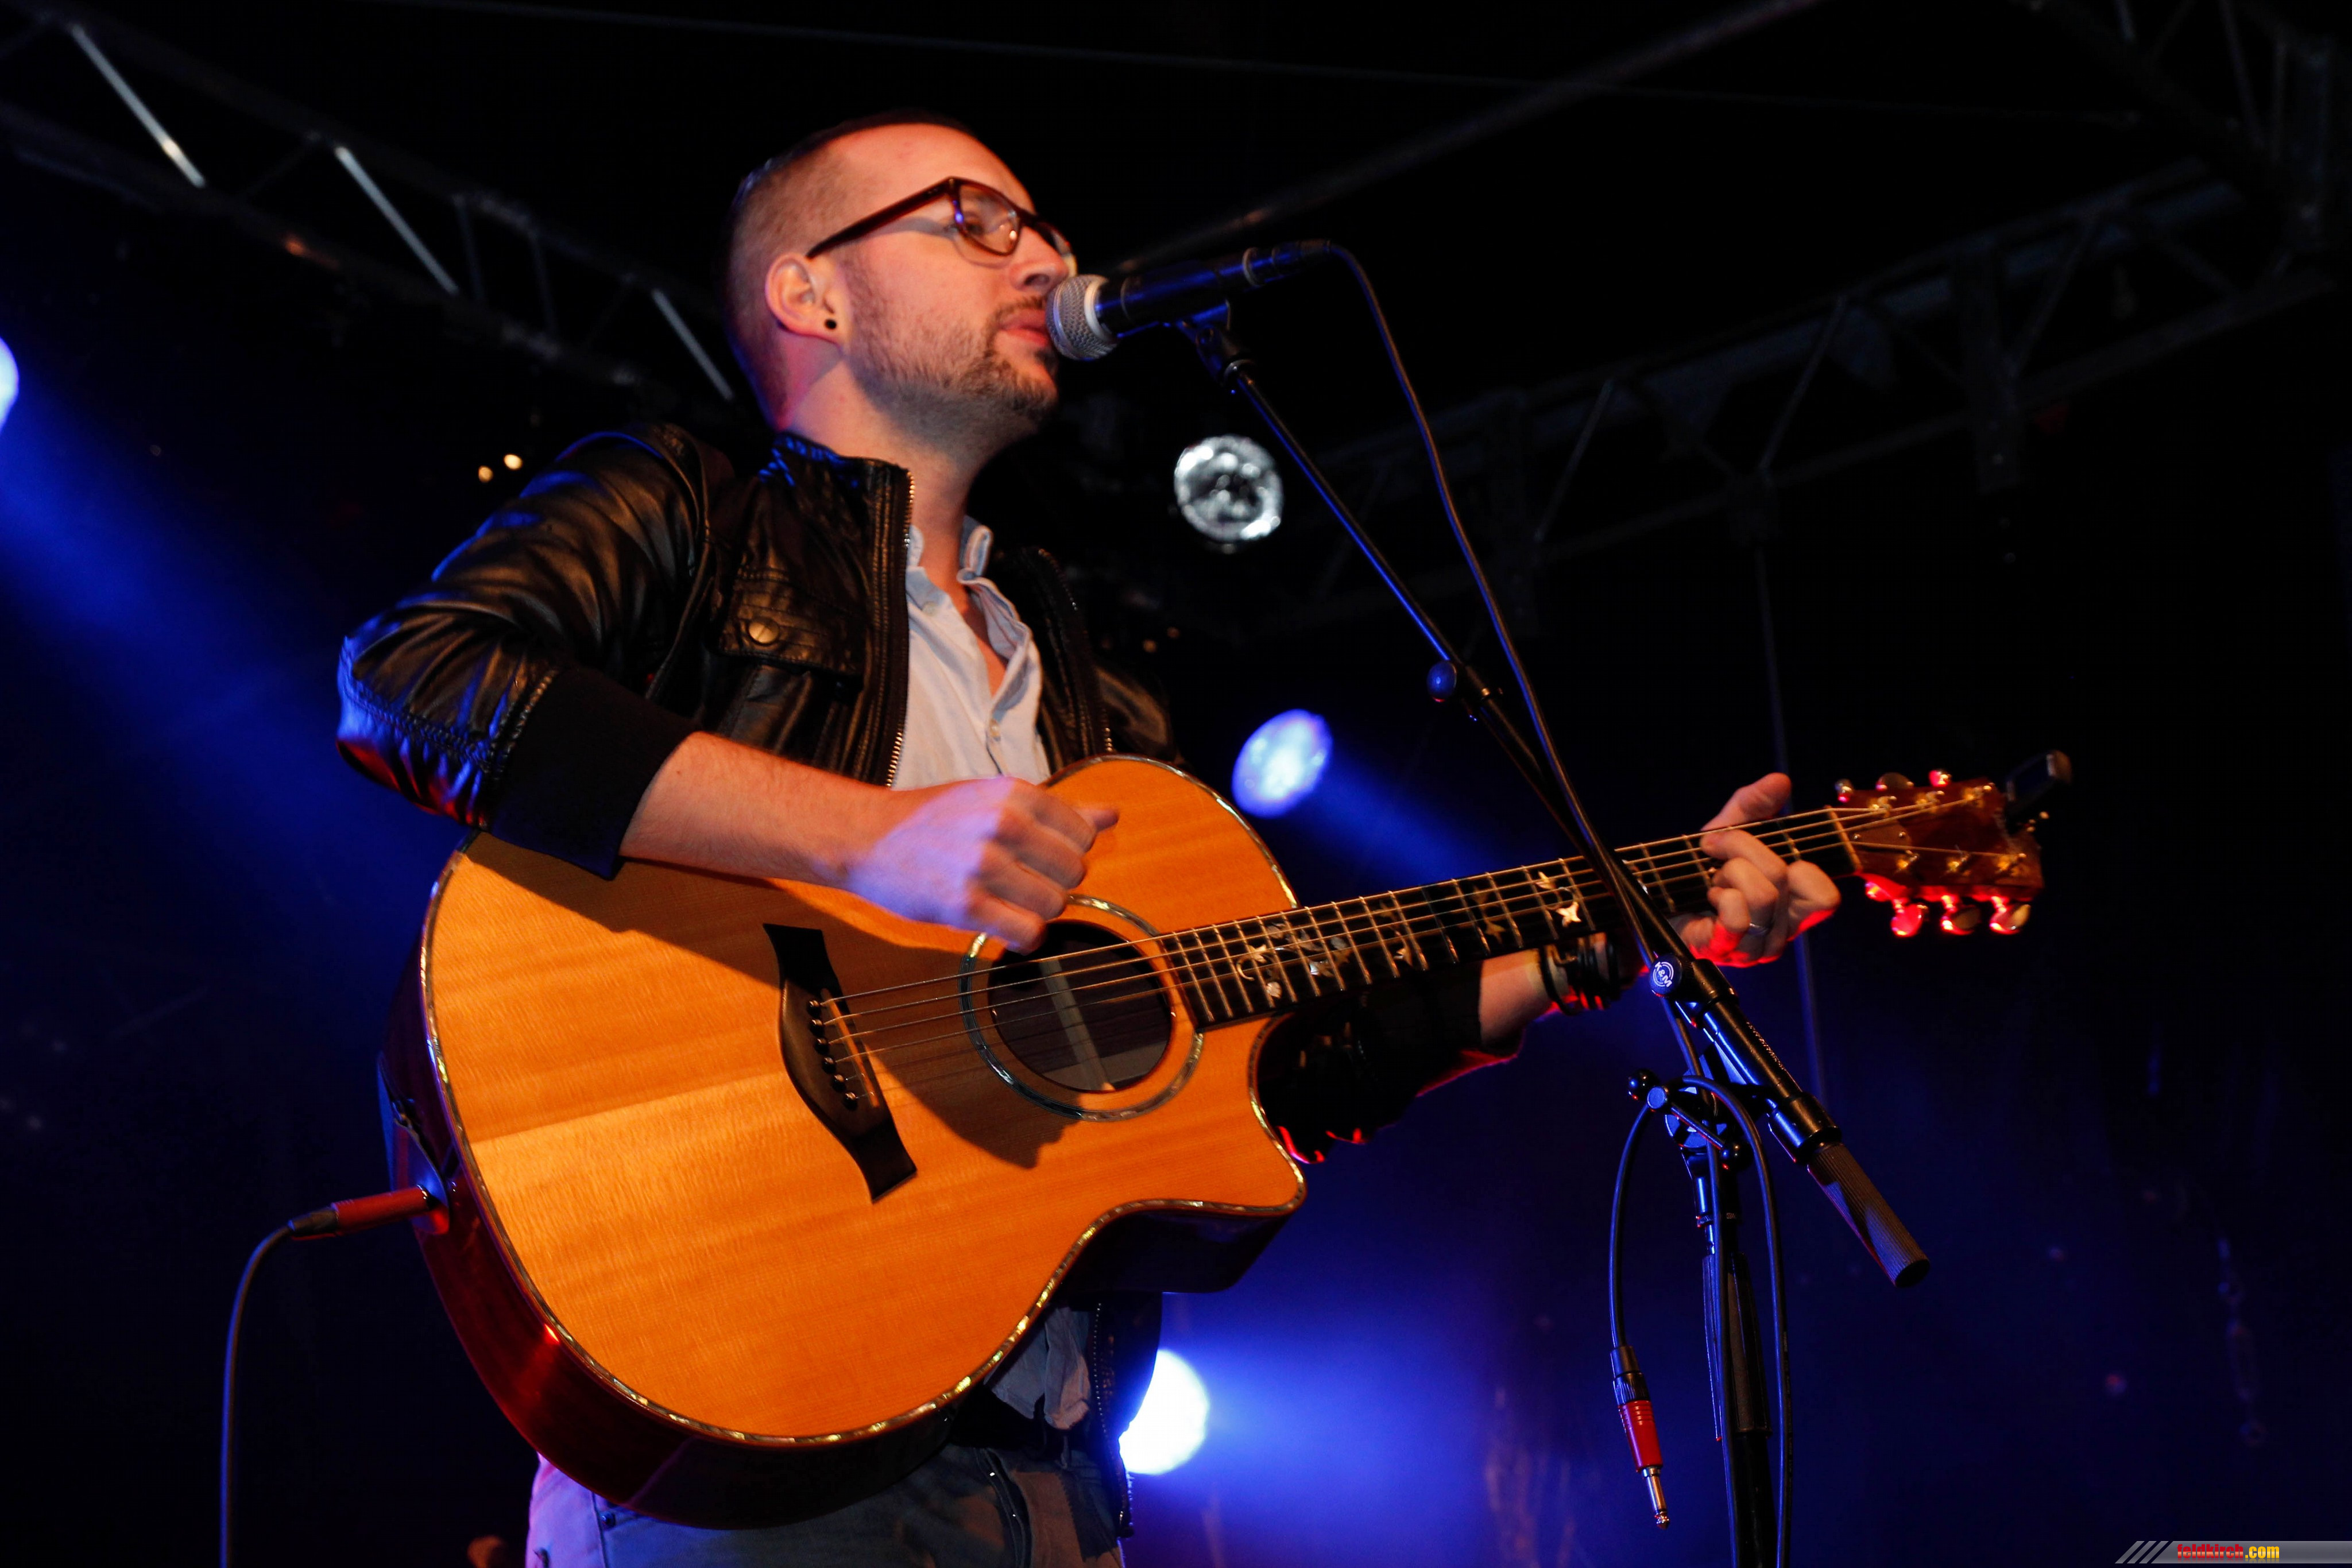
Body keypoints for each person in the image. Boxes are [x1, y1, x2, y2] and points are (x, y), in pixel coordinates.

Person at [336, 108, 1840, 1568]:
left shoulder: (1094, 683)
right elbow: (413, 679)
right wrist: (867, 840)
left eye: (1042, 225)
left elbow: (1270, 1073)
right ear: (813, 292)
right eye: (973, 221)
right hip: (751, 1453)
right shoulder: (691, 515)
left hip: (1057, 1487)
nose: (1043, 257)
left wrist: (1600, 937)